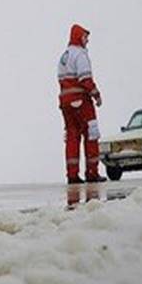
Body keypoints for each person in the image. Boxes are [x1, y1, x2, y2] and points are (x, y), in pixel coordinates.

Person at [58, 23, 105, 184]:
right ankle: (92, 173)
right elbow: (85, 79)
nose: (87, 41)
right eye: (85, 37)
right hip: (81, 101)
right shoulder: (80, 55)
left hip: (65, 104)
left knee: (72, 137)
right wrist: (96, 94)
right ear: (79, 37)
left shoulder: (64, 57)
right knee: (91, 134)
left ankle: (72, 175)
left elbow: (61, 80)